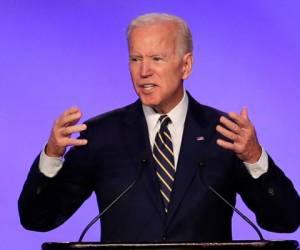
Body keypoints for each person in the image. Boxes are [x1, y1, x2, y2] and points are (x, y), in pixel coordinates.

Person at [18, 13, 300, 243]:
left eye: (157, 59)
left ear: (185, 65)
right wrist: (52, 155)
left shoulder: (224, 134)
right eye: (135, 59)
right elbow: (37, 219)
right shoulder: (101, 135)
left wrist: (254, 158)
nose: (144, 72)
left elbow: (285, 221)